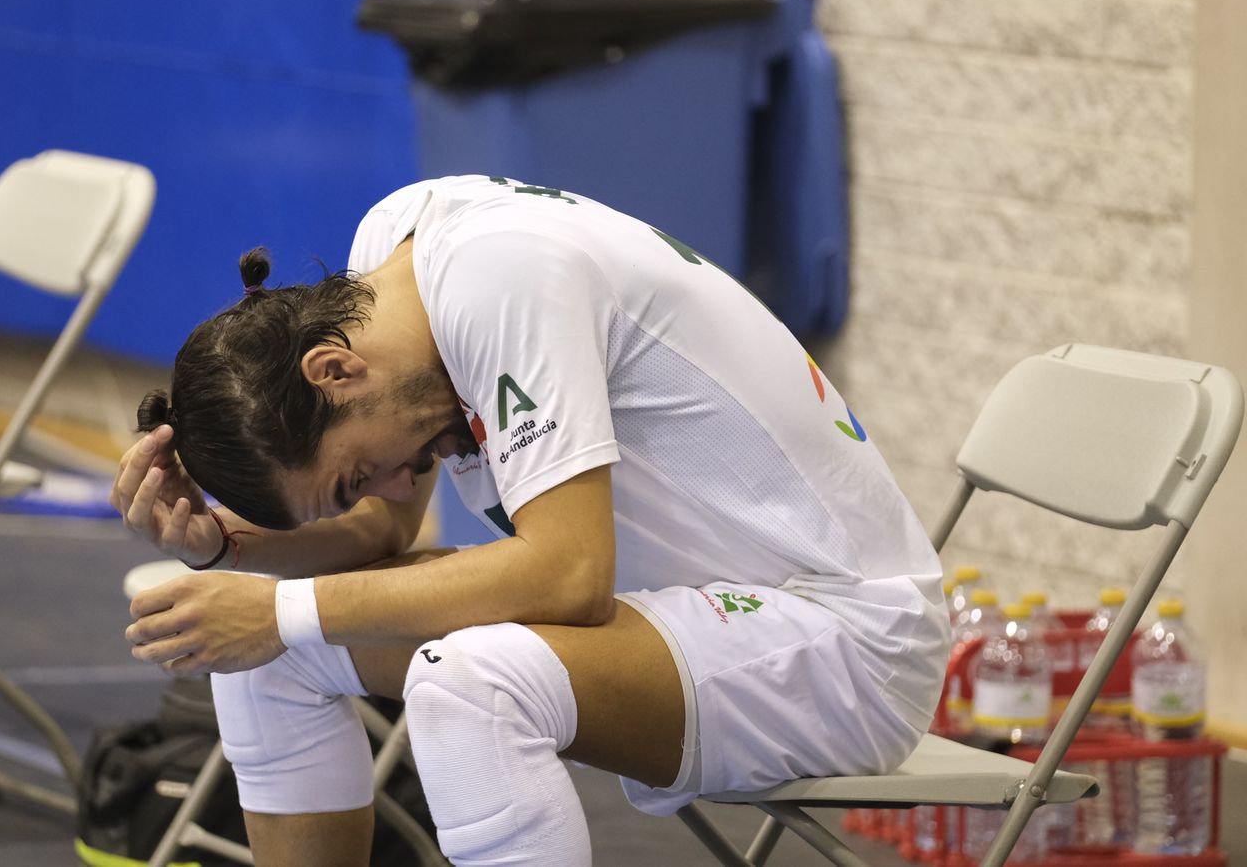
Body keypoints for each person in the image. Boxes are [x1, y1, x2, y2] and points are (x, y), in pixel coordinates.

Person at [111, 174, 949, 867]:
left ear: (334, 369)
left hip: (847, 642)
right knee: (272, 659)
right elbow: (386, 536)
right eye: (359, 483)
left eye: (360, 471)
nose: (397, 481)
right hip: (680, 618)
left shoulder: (498, 276)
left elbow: (570, 578)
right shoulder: (384, 280)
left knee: (468, 683)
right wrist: (233, 549)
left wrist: (280, 609)